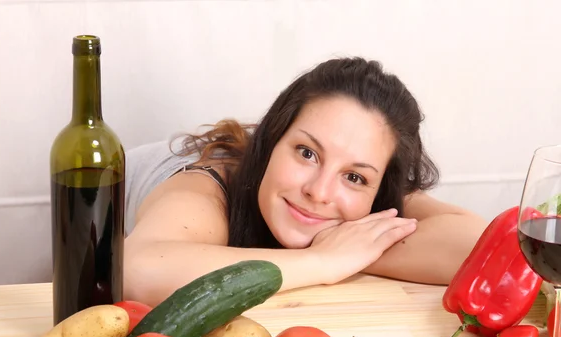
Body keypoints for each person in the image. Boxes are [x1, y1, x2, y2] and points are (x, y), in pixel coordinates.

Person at [123, 57, 488, 307]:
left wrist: (354, 247)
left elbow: (484, 246)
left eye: (354, 176)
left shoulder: (363, 204)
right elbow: (137, 272)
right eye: (307, 153)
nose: (319, 191)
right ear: (270, 141)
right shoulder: (204, 185)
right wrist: (324, 260)